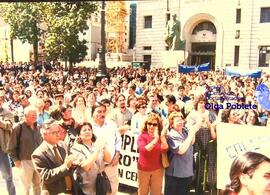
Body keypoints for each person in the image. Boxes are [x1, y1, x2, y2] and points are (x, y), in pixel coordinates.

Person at [31, 119, 79, 195]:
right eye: (54, 133)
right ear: (44, 134)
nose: (58, 135)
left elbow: (70, 165)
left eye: (58, 132)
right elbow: (46, 177)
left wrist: (74, 162)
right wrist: (65, 166)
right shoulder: (38, 154)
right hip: (55, 192)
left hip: (72, 190)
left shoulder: (63, 145)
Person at [164, 111, 202, 195]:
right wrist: (191, 134)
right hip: (176, 175)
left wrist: (194, 130)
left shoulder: (184, 131)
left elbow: (191, 142)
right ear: (172, 124)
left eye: (181, 119)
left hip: (186, 172)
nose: (180, 122)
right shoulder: (172, 135)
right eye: (177, 121)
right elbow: (181, 150)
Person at [7, 106, 42, 195]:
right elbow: (11, 147)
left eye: (36, 115)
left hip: (37, 161)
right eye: (32, 115)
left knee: (38, 185)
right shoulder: (18, 128)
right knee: (26, 187)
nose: (35, 117)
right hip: (24, 161)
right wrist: (16, 160)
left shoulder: (38, 127)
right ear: (26, 116)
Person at [70, 122, 111, 195]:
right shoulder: (76, 148)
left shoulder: (96, 145)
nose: (87, 131)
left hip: (100, 183)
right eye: (84, 130)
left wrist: (104, 146)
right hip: (86, 187)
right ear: (79, 135)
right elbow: (86, 167)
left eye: (89, 129)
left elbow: (108, 159)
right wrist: (97, 150)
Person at [91, 103, 122, 195]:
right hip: (94, 169)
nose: (102, 114)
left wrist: (117, 155)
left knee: (112, 191)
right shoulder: (88, 127)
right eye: (99, 111)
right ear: (93, 112)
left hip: (111, 166)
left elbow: (118, 141)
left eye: (104, 111)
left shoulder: (112, 125)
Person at [137, 113, 168, 195]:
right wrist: (155, 140)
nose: (151, 126)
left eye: (154, 124)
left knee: (156, 192)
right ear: (146, 124)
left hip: (157, 169)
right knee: (143, 192)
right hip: (143, 170)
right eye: (149, 124)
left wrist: (161, 137)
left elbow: (165, 149)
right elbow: (143, 150)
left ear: (158, 126)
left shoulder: (160, 136)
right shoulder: (142, 136)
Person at [0, 90, 16, 195]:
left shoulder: (7, 112)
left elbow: (9, 126)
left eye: (0, 99)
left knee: (8, 177)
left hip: (2, 149)